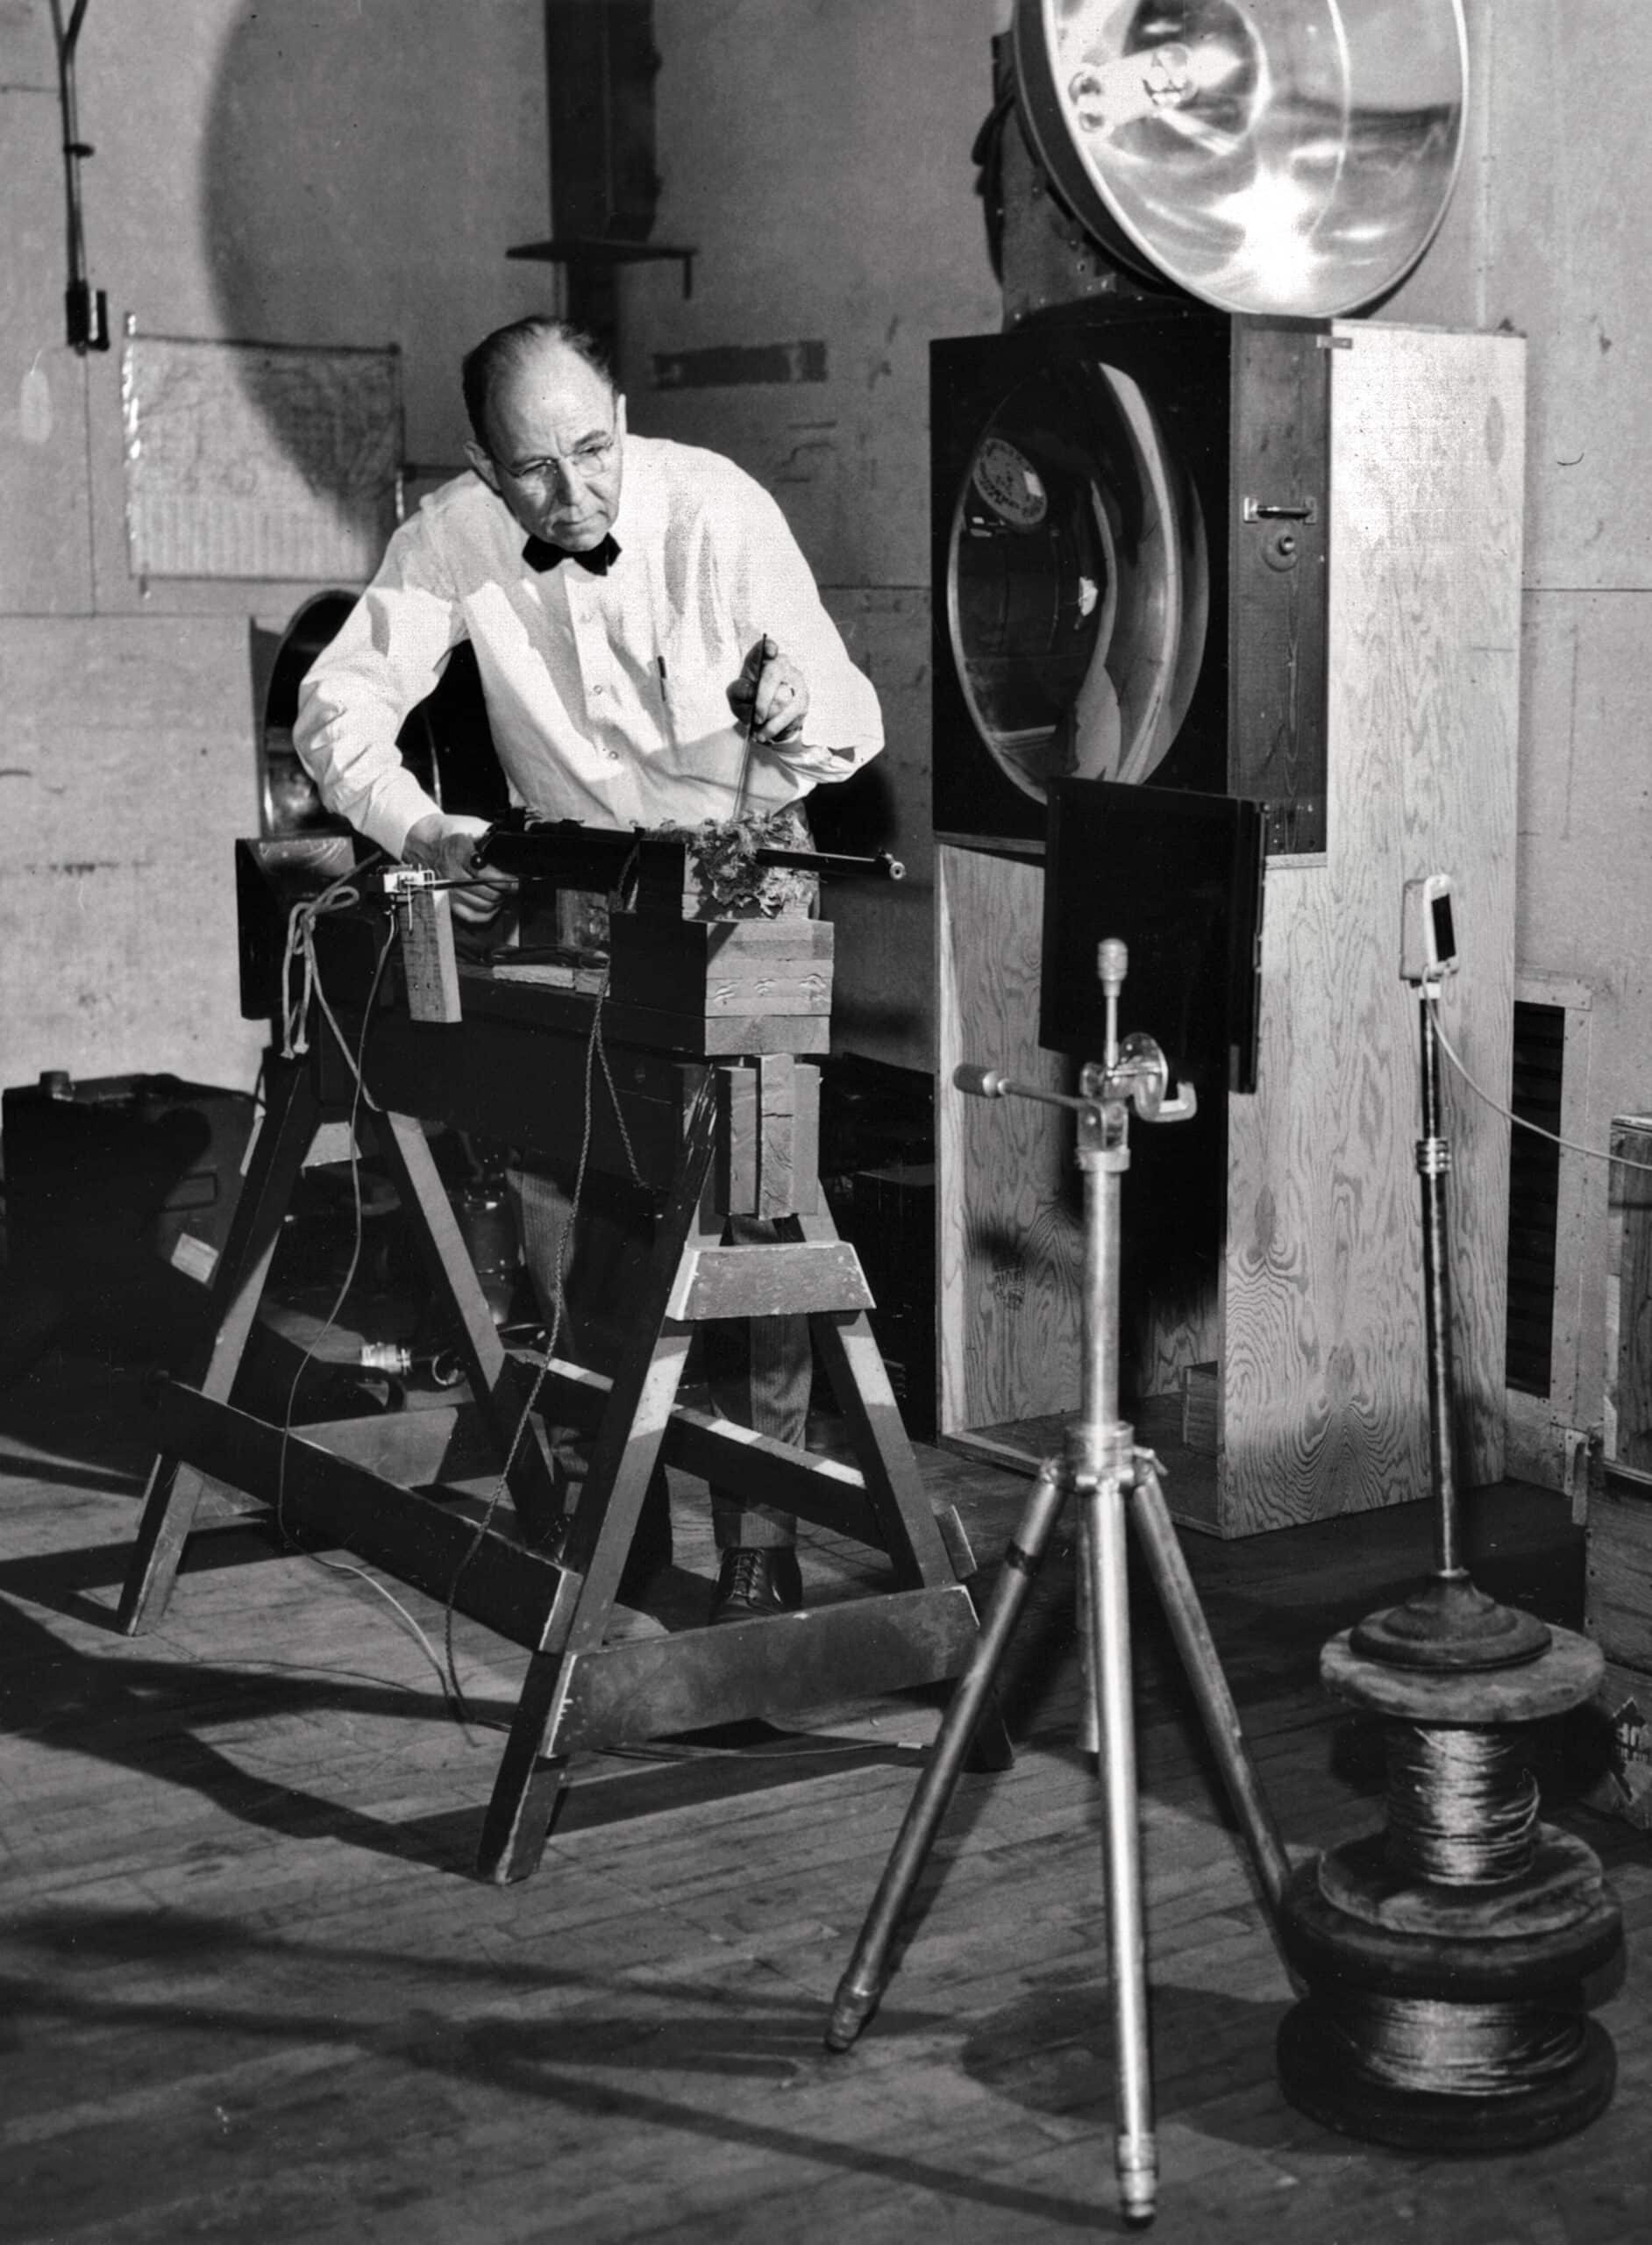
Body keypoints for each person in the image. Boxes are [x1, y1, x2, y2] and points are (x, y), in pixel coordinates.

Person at [294, 313, 885, 1622]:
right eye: (535, 471)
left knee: (747, 1219)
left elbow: (851, 711)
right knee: (569, 1210)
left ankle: (759, 1539)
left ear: (623, 413)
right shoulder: (449, 536)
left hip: (739, 864)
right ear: (482, 467)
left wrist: (803, 709)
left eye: (595, 450)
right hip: (574, 883)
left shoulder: (718, 511)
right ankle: (595, 1522)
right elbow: (334, 713)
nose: (574, 495)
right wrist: (431, 833)